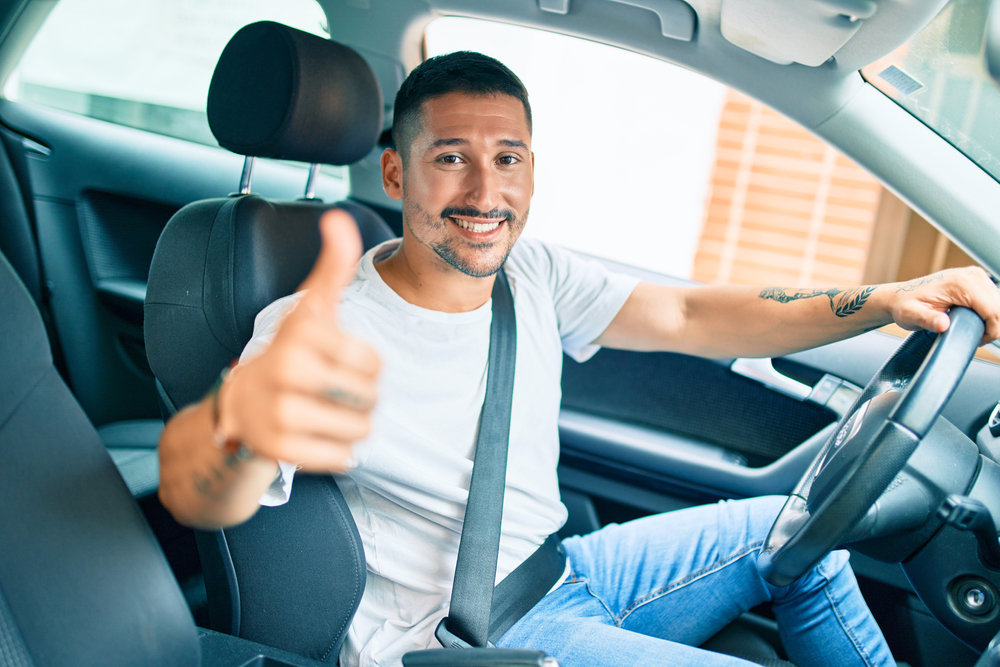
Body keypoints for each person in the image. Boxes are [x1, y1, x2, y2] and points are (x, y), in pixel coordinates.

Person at [158, 51, 1000, 667]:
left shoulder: (532, 269)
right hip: (461, 637)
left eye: (508, 159)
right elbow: (209, 491)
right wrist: (230, 434)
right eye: (451, 157)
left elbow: (685, 311)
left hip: (565, 571)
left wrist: (887, 299)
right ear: (394, 171)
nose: (485, 193)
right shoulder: (317, 326)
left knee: (800, 537)